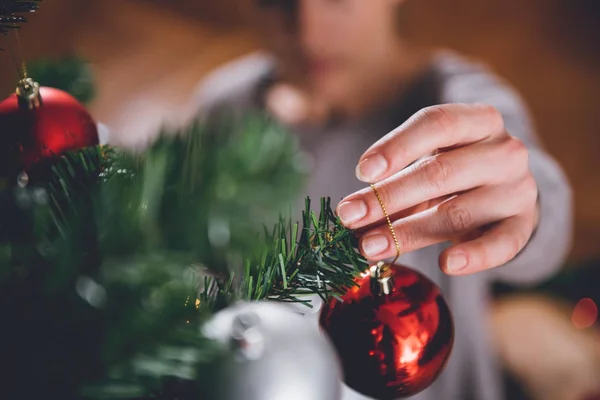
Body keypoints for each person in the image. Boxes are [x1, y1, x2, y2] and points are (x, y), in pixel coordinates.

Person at [190, 0, 573, 399]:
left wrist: (524, 209)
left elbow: (547, 225)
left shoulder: (457, 96)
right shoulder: (224, 106)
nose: (308, 33)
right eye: (277, 1)